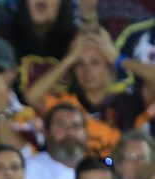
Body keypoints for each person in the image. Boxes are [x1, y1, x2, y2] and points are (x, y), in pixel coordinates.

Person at [24, 26, 155, 159]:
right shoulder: (65, 104)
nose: (87, 71)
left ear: (108, 65)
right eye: (80, 64)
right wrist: (68, 60)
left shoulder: (128, 102)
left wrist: (118, 58)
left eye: (95, 62)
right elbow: (31, 96)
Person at [21, 103, 88, 179]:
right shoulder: (28, 169)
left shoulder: (97, 172)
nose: (70, 131)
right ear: (46, 132)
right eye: (61, 125)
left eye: (76, 126)